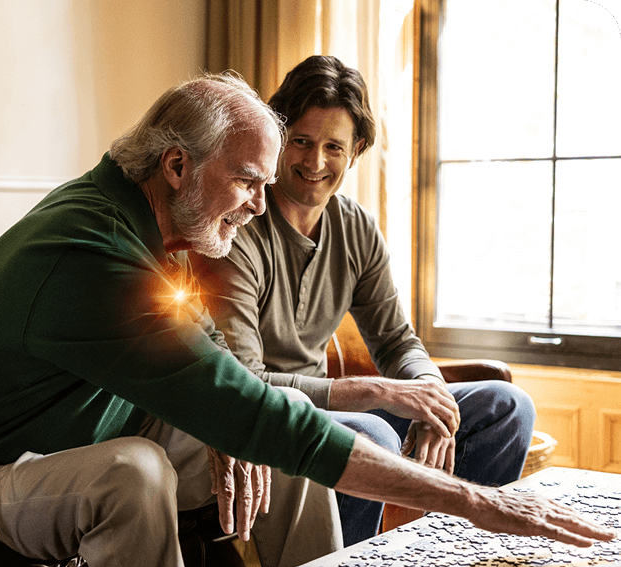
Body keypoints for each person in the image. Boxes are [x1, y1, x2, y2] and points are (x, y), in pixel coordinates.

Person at [0, 73, 613, 567]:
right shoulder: (91, 251)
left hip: (79, 434)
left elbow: (220, 376)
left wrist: (223, 420)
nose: (261, 203)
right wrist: (481, 502)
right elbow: (246, 403)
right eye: (250, 180)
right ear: (177, 166)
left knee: (271, 429)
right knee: (134, 470)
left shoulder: (154, 226)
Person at [193, 56, 539, 539]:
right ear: (276, 141)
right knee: (371, 434)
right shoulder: (240, 226)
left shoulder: (356, 227)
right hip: (274, 418)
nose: (315, 163)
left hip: (337, 410)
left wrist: (431, 395)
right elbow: (248, 383)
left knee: (507, 406)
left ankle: (444, 555)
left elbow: (397, 343)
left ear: (355, 151)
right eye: (301, 142)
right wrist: (380, 392)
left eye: (333, 146)